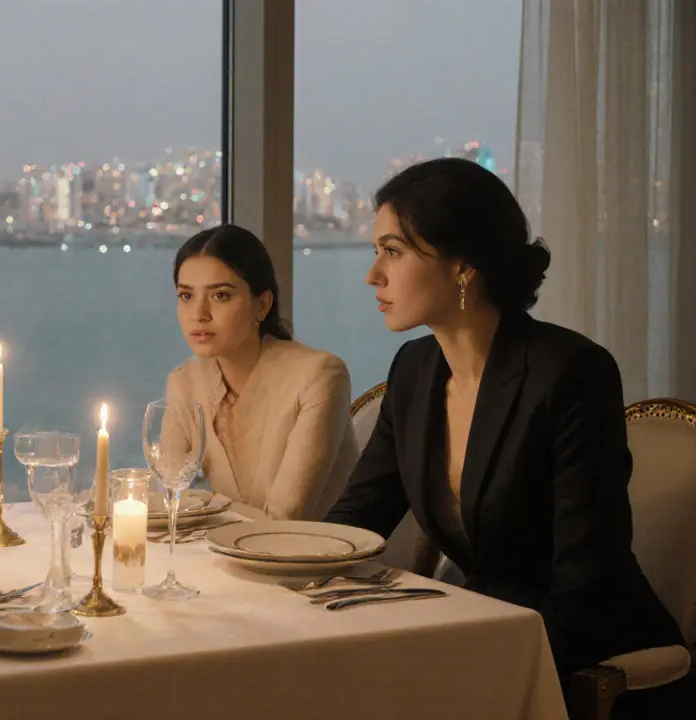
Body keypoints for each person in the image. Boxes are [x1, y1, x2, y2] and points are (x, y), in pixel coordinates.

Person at [324, 158, 689, 716]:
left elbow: (585, 582)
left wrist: (460, 647)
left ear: (463, 265)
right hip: (481, 625)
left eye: (393, 251)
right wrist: (270, 574)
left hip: (590, 653)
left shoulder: (571, 372)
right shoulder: (415, 370)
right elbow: (355, 522)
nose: (373, 274)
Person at [165, 225, 359, 520]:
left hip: (319, 558)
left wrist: (205, 503)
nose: (199, 313)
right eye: (186, 296)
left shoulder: (319, 375)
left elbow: (285, 519)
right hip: (229, 554)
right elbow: (168, 497)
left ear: (263, 304)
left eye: (220, 295)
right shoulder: (185, 381)